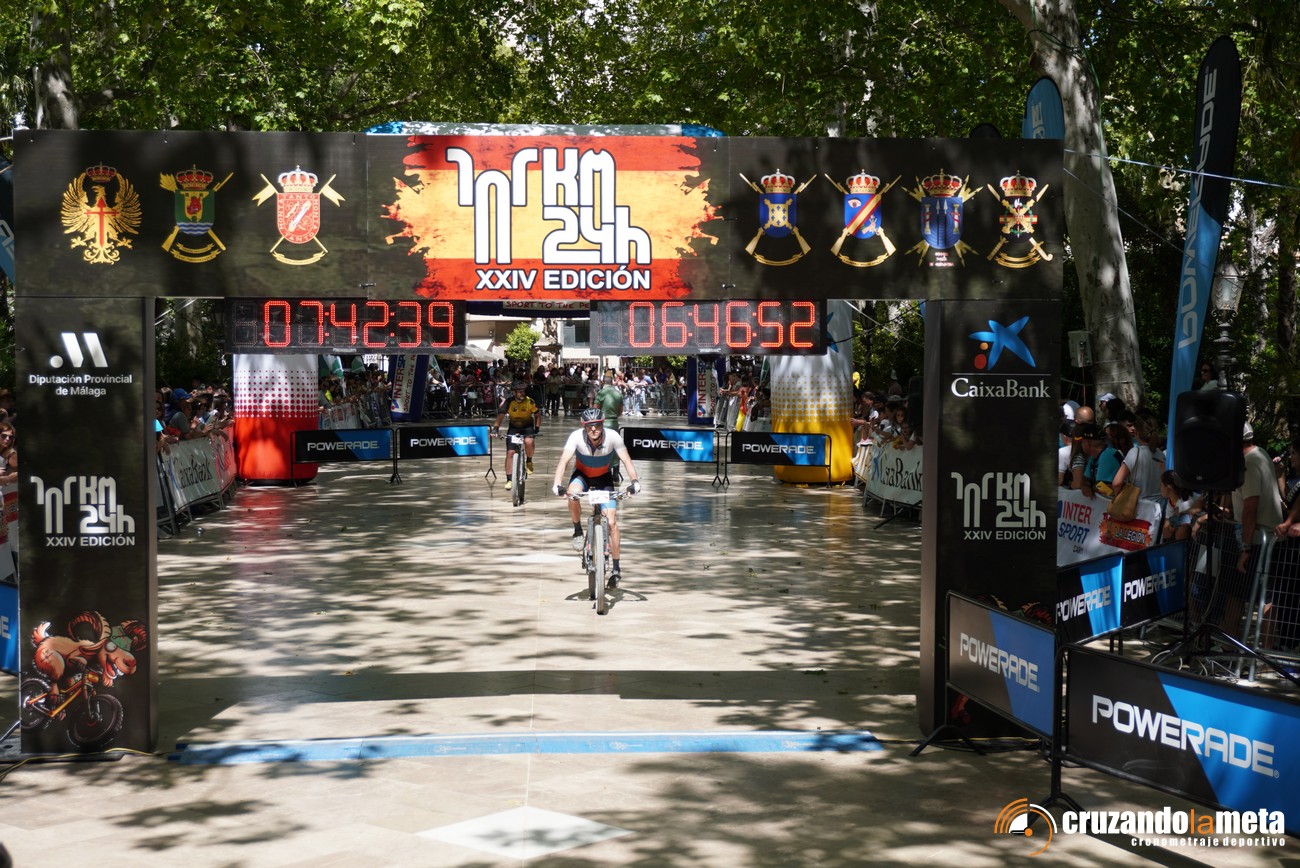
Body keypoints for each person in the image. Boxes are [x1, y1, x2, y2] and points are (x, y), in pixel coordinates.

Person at [551, 408, 641, 585]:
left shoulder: (613, 437)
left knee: (612, 523)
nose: (593, 429)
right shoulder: (576, 437)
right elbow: (563, 461)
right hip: (582, 476)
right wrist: (557, 484)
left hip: (603, 478)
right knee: (572, 494)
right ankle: (577, 530)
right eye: (589, 426)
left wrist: (635, 482)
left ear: (602, 424)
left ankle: (616, 568)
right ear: (584, 426)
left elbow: (627, 460)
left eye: (597, 425)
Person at [492, 380, 541, 490]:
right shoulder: (509, 402)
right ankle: (509, 479)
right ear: (514, 392)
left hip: (527, 427)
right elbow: (500, 416)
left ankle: (529, 461)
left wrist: (537, 429)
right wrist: (495, 429)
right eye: (519, 391)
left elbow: (537, 415)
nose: (522, 393)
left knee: (529, 441)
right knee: (510, 453)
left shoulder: (530, 402)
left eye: (523, 391)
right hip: (514, 428)